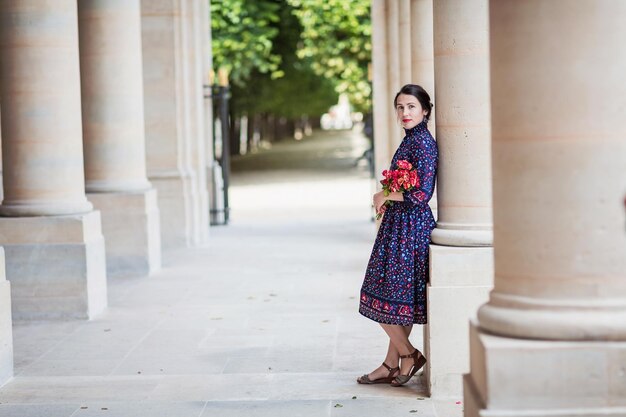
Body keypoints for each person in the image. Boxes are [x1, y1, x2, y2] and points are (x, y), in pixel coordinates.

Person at [357, 84, 438, 387]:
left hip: (410, 231)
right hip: (398, 226)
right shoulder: (410, 141)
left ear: (425, 110)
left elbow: (421, 194)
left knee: (382, 297)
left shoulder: (424, 145)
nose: (405, 113)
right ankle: (391, 364)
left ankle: (410, 354)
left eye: (411, 107)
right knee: (396, 300)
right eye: (400, 107)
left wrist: (385, 193)